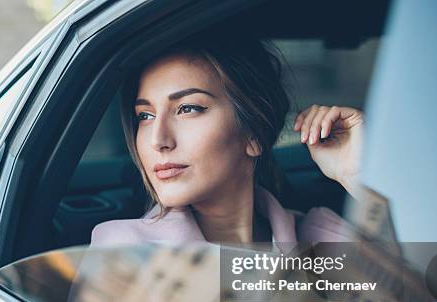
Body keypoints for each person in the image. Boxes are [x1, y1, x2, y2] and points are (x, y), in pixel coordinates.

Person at [91, 32, 362, 246]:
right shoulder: (125, 253)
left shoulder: (321, 241)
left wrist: (357, 175)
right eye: (145, 116)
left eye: (187, 109)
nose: (157, 140)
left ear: (254, 133)